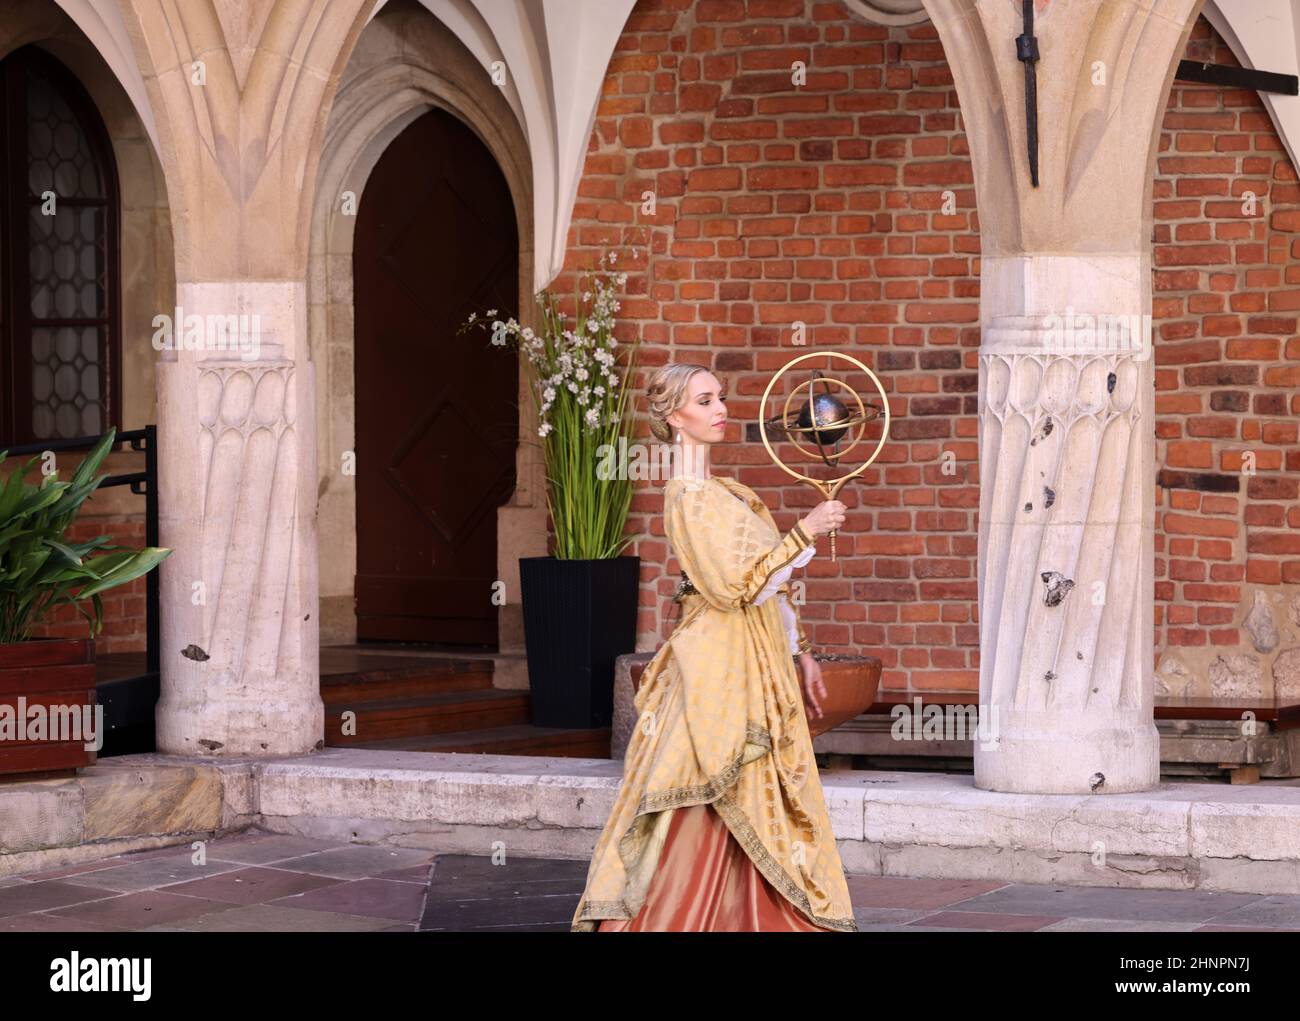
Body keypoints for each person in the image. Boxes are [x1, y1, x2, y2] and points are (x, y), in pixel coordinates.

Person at [570, 362, 856, 932]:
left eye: (720, 398)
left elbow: (768, 586)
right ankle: (680, 914)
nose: (720, 409)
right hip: (716, 659)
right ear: (676, 416)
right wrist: (807, 530)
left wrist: (801, 651)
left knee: (758, 779)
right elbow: (733, 587)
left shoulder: (726, 491)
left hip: (759, 653)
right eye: (704, 401)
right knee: (709, 766)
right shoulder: (690, 495)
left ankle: (750, 913)